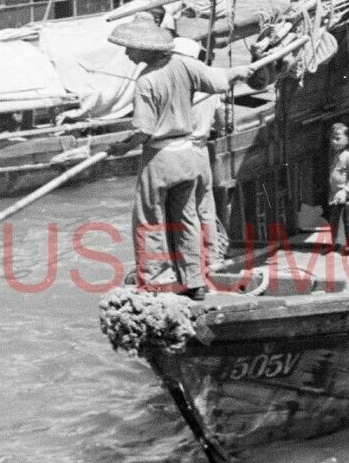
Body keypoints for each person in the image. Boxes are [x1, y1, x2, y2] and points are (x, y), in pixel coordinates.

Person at [110, 17, 257, 298]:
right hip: (189, 156)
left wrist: (120, 147)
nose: (127, 54)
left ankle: (152, 282)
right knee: (188, 218)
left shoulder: (146, 81)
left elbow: (143, 131)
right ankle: (195, 281)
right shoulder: (184, 64)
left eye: (130, 48)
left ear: (144, 49)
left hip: (161, 159)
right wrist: (240, 70)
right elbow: (219, 80)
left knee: (149, 220)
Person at [325, 121, 349, 251]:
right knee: (334, 220)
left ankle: (340, 247)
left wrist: (345, 190)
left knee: (340, 220)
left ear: (348, 139)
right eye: (332, 138)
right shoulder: (335, 155)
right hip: (334, 194)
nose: (334, 141)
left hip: (343, 194)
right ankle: (336, 245)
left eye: (338, 138)